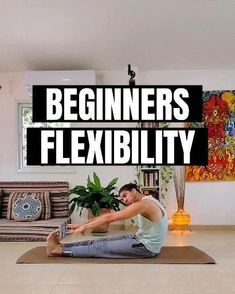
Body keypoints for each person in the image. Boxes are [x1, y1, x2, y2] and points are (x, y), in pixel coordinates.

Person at [46, 183, 168, 258]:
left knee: (102, 248)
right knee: (100, 240)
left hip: (146, 248)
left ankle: (57, 251)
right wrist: (82, 224)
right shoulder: (149, 200)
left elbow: (109, 218)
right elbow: (105, 217)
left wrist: (85, 227)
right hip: (138, 238)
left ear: (134, 190)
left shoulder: (144, 204)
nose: (124, 201)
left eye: (125, 195)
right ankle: (62, 246)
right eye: (122, 199)